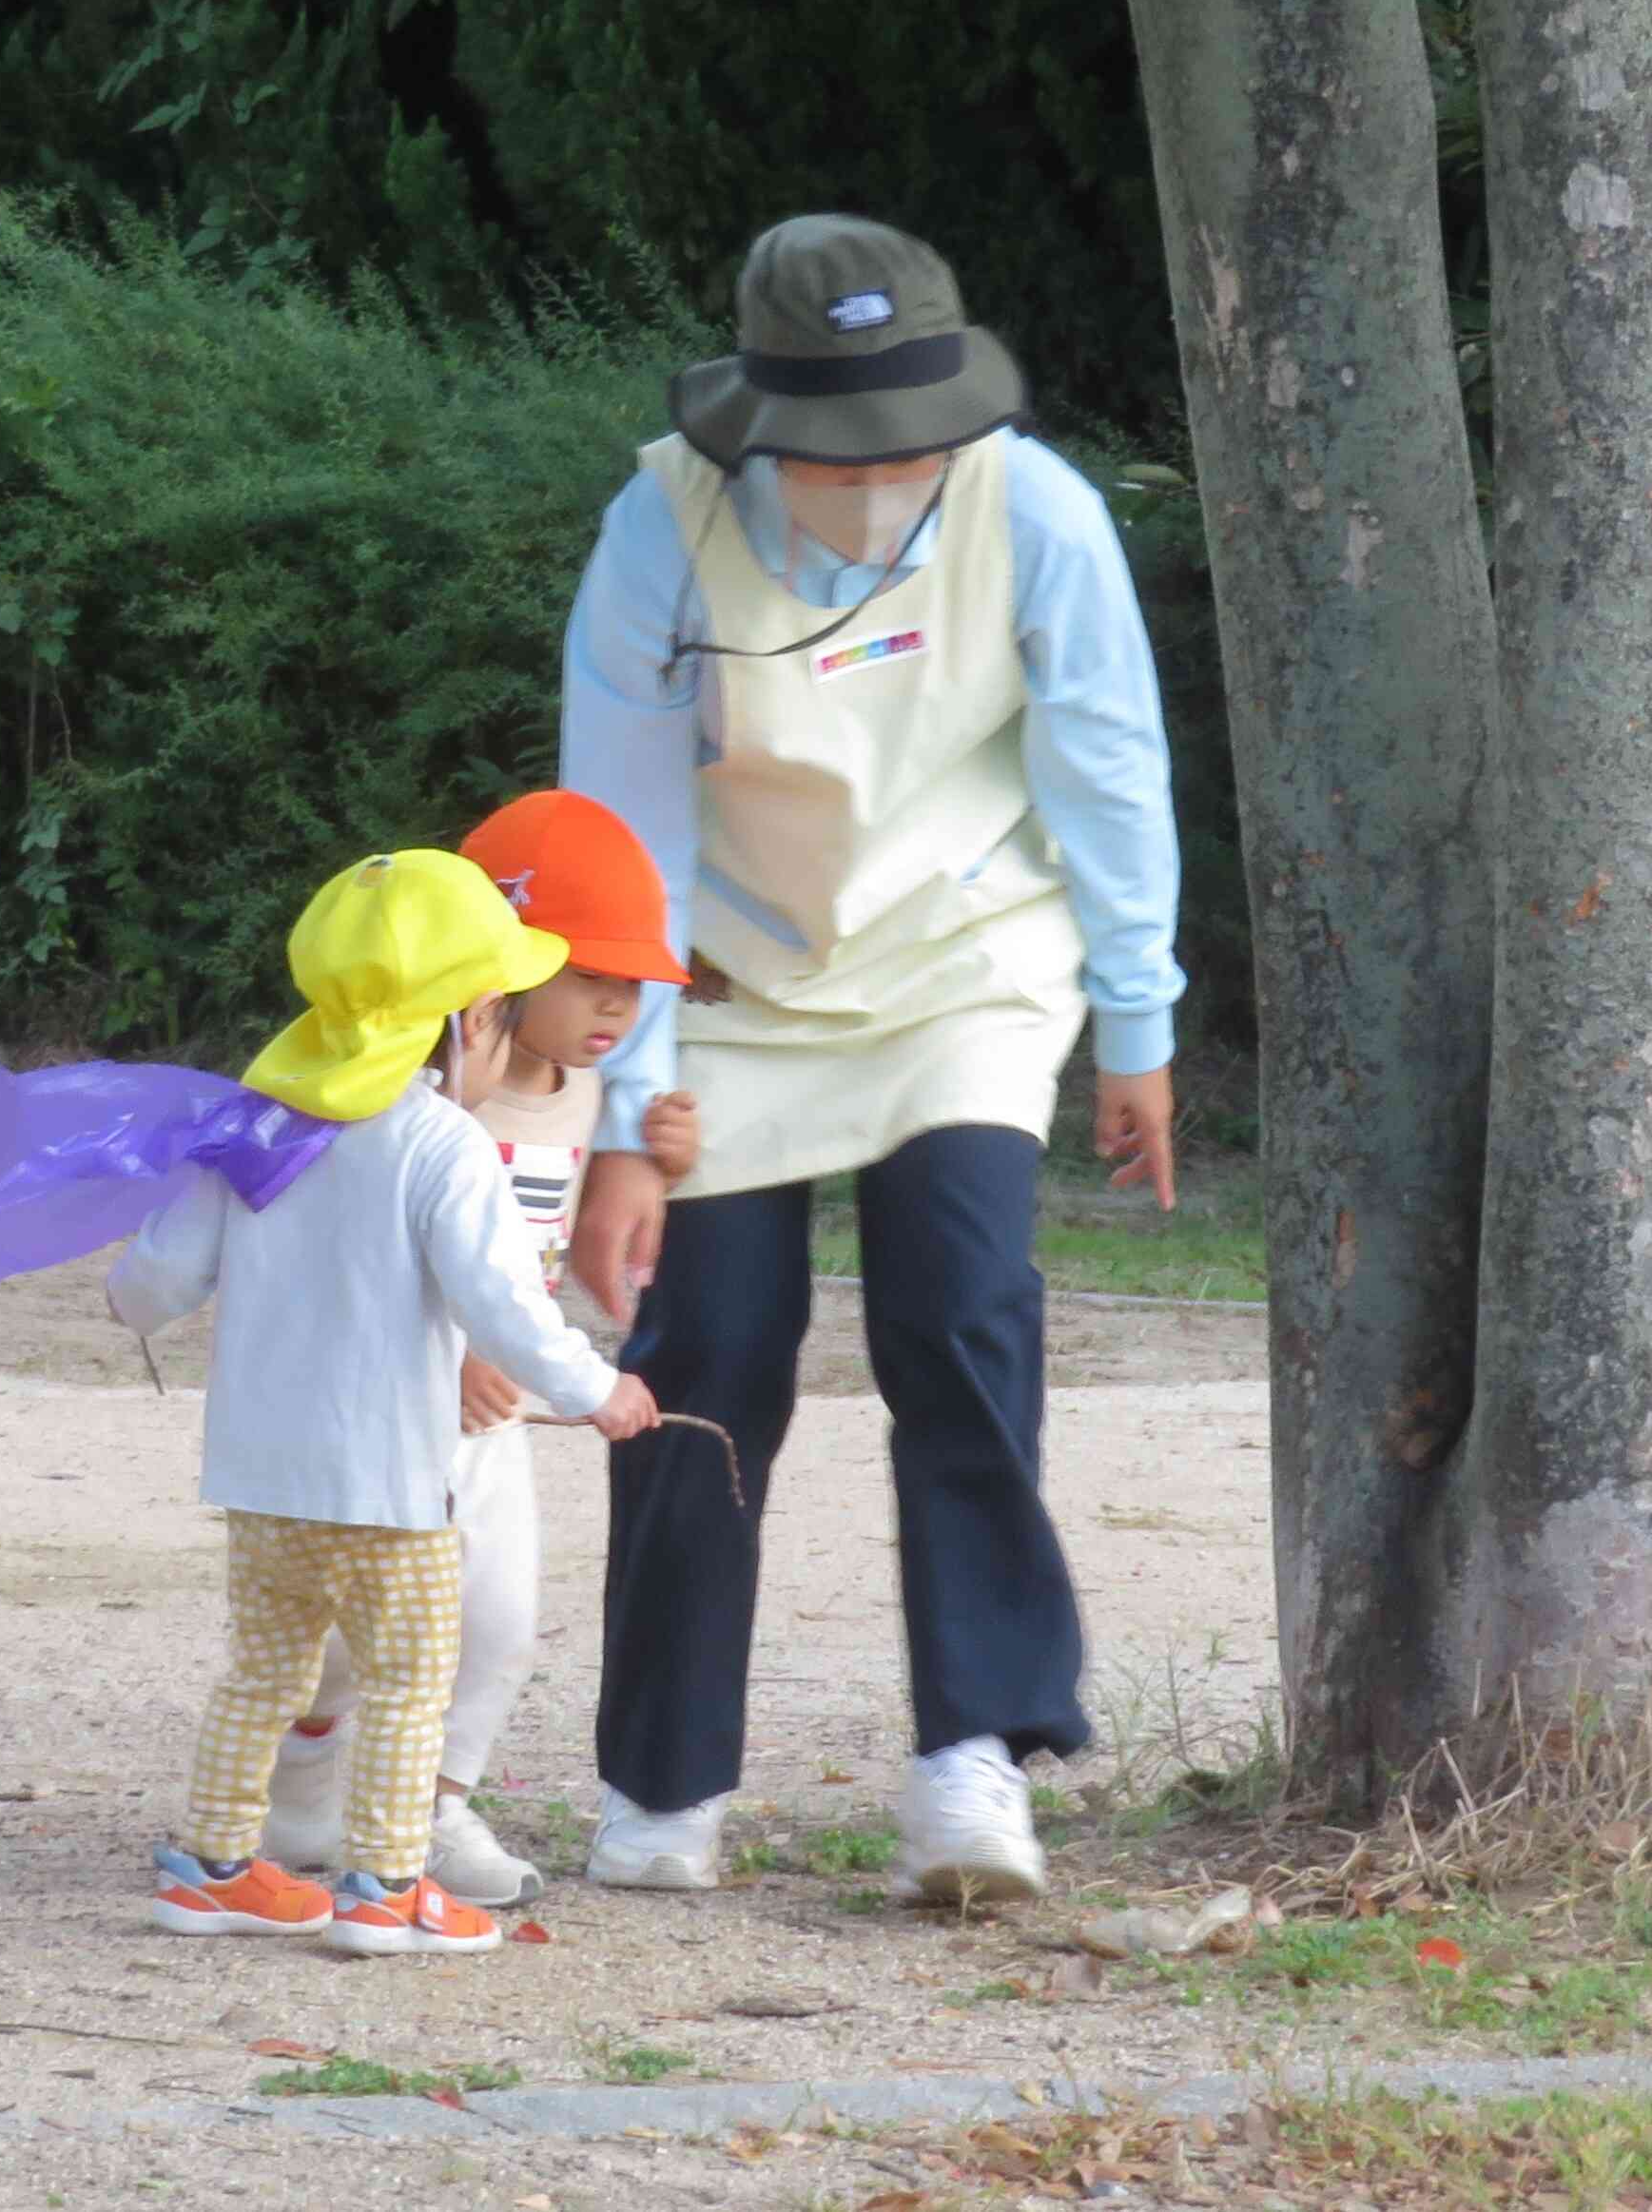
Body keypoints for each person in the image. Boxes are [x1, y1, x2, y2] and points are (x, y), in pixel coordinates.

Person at [560, 213, 1183, 1904]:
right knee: (709, 1349)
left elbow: (1105, 765)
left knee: (959, 1311)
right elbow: (621, 831)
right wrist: (628, 1116)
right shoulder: (659, 528)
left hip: (962, 958)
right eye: (839, 455)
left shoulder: (1028, 506)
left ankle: (971, 1761)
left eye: (906, 446)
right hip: (733, 983)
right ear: (760, 424)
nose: (876, 480)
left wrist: (1138, 1023)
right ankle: (660, 1783)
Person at [114, 848, 661, 1957]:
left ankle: (214, 1866)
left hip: (261, 1482)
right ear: (471, 1021)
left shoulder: (256, 1129)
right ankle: (386, 1886)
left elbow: (148, 1288)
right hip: (390, 1490)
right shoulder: (441, 1145)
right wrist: (600, 1387)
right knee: (415, 1675)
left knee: (263, 1672)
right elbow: (504, 1311)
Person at [259, 793, 700, 1906]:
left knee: (497, 1618)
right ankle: (308, 1779)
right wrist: (442, 1349)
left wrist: (660, 1163)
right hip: (381, 1410)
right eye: (587, 973)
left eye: (636, 982)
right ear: (489, 974)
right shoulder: (405, 1089)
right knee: (342, 1637)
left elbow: (551, 1236)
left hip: (492, 1423)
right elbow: (357, 1244)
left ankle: (434, 1810)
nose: (618, 1003)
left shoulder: (588, 1088)